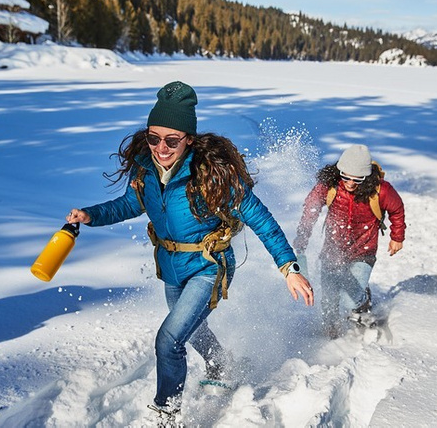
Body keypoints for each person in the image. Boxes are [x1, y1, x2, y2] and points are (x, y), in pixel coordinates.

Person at [66, 81, 314, 418]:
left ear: (189, 139)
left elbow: (261, 219)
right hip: (171, 266)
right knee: (192, 329)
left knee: (168, 340)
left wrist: (289, 268)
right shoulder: (145, 169)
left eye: (172, 140)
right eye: (154, 138)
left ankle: (166, 413)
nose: (161, 148)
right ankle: (221, 363)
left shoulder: (210, 175)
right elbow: (129, 204)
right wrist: (91, 215)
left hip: (208, 266)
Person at [293, 144, 405, 339]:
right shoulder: (329, 185)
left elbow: (397, 210)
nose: (351, 183)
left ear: (366, 177)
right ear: (339, 171)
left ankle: (363, 300)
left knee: (349, 300)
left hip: (363, 251)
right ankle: (331, 328)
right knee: (329, 297)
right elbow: (311, 209)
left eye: (357, 179)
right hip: (332, 250)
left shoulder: (381, 190)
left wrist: (397, 237)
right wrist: (303, 236)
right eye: (346, 176)